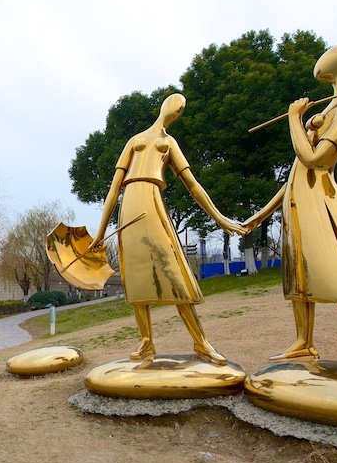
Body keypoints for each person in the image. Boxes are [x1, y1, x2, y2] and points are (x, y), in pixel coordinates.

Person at [243, 43, 337, 369]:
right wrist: (261, 214)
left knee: (335, 269)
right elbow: (296, 171)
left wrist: (295, 120)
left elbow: (313, 159)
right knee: (299, 275)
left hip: (321, 196)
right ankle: (303, 342)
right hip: (298, 199)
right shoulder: (332, 105)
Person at [90, 93, 245, 364]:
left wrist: (220, 218)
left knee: (175, 274)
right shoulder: (134, 140)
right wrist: (100, 233)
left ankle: (201, 342)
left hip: (152, 202)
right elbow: (114, 188)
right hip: (130, 205)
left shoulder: (169, 143)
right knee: (135, 278)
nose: (177, 110)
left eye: (181, 108)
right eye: (176, 104)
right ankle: (146, 343)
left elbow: (193, 184)